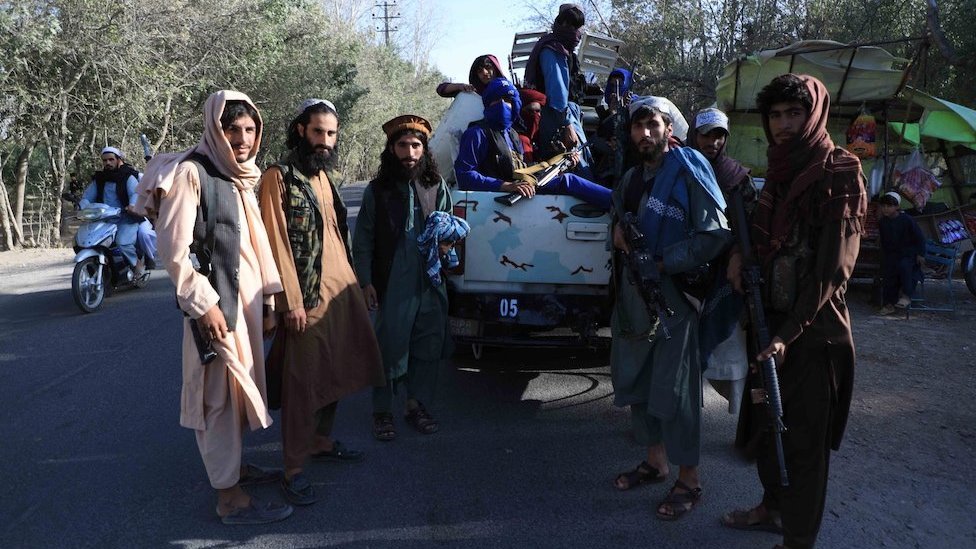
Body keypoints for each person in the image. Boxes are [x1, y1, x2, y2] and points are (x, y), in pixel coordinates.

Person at [723, 74, 866, 549]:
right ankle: (772, 508)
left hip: (812, 332)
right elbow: (762, 245)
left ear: (814, 114)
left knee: (803, 445)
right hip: (767, 325)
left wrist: (787, 333)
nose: (783, 124)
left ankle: (798, 538)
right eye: (776, 115)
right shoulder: (778, 171)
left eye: (794, 113)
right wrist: (740, 258)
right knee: (767, 428)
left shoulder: (839, 171)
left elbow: (832, 272)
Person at [149, 91, 292, 525]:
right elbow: (175, 254)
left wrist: (268, 301)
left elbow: (256, 245)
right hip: (215, 309)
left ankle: (235, 471)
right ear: (216, 129)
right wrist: (204, 304)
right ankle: (229, 498)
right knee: (217, 397)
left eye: (250, 129)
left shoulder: (238, 177)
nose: (243, 138)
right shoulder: (193, 174)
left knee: (239, 388)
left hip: (244, 308)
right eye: (233, 129)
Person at [609, 97, 732, 521]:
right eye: (638, 125)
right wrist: (618, 236)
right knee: (639, 382)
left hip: (675, 297)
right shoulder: (630, 178)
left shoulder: (690, 166)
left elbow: (715, 235)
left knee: (676, 391)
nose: (645, 132)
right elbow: (618, 216)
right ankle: (655, 461)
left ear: (668, 129)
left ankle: (690, 479)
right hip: (634, 297)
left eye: (653, 124)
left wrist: (662, 262)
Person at [258, 98, 386, 506]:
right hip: (306, 299)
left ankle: (319, 440)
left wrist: (359, 284)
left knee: (338, 369)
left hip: (341, 292)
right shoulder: (278, 178)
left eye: (331, 134)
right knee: (302, 383)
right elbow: (275, 243)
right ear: (300, 131)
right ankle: (293, 467)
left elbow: (337, 236)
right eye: (318, 132)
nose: (325, 142)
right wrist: (289, 302)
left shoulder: (325, 179)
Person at [353, 115, 454, 442]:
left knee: (427, 344)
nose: (409, 152)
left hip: (430, 282)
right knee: (389, 345)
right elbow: (364, 239)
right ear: (391, 149)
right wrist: (366, 281)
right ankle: (382, 411)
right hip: (393, 279)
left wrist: (446, 243)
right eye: (402, 145)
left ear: (424, 150)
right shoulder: (378, 190)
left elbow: (450, 227)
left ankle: (415, 404)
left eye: (415, 145)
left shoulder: (435, 186)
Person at [689, 107, 757, 415]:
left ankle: (739, 421)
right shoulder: (682, 169)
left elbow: (750, 226)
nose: (712, 142)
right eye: (706, 135)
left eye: (719, 135)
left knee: (728, 348)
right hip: (687, 270)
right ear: (695, 135)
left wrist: (738, 257)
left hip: (725, 271)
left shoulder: (736, 177)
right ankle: (683, 413)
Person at [454, 77, 611, 210]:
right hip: (500, 195)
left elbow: (523, 167)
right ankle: (618, 204)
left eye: (508, 100)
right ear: (488, 104)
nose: (503, 105)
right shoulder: (477, 133)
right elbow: (465, 175)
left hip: (524, 186)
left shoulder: (513, 135)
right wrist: (505, 186)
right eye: (497, 100)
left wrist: (559, 162)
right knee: (569, 181)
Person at [522, 3, 593, 173]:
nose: (574, 31)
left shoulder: (562, 50)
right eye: (568, 24)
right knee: (579, 167)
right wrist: (568, 125)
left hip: (563, 114)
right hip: (558, 117)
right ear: (560, 23)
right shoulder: (553, 49)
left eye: (577, 26)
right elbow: (557, 92)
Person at [79, 146, 146, 278]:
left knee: (122, 242)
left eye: (111, 159)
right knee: (84, 241)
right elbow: (87, 197)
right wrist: (82, 207)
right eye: (105, 160)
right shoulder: (99, 179)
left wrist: (132, 205)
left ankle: (136, 264)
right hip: (103, 219)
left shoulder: (128, 176)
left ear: (118, 160)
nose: (108, 163)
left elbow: (134, 193)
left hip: (126, 218)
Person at [876, 191, 925, 315]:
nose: (886, 209)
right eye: (884, 206)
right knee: (888, 275)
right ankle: (889, 304)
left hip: (908, 254)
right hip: (892, 255)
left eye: (889, 206)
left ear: (897, 206)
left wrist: (920, 254)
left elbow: (919, 238)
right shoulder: (883, 222)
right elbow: (884, 241)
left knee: (905, 267)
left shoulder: (907, 220)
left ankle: (907, 295)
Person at [435, 54, 507, 98]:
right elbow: (441, 89)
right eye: (480, 71)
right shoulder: (474, 93)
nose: (485, 73)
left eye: (488, 68)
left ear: (496, 69)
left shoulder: (509, 90)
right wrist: (459, 86)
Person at [516, 87, 547, 163]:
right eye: (531, 111)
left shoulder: (540, 137)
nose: (536, 115)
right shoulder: (521, 140)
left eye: (538, 111)